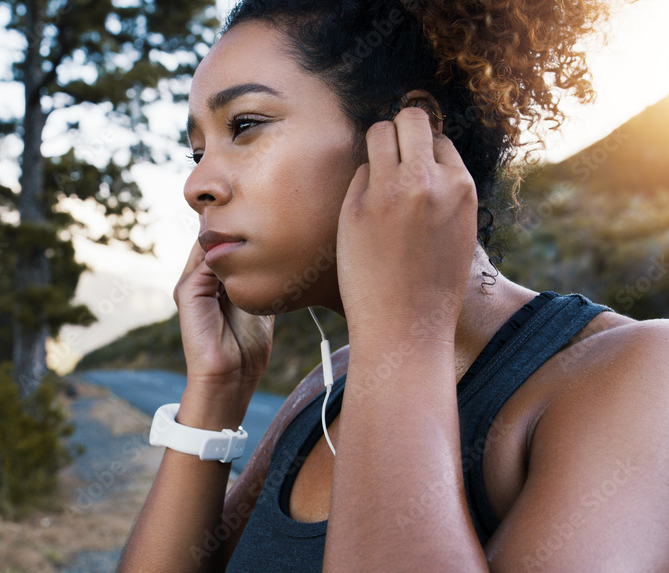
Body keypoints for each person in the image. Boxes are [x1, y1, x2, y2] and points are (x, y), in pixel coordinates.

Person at [119, 0, 669, 571]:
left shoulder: (641, 377)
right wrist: (216, 391)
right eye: (197, 151)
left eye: (245, 125)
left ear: (410, 134)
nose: (196, 184)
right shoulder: (320, 395)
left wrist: (406, 331)